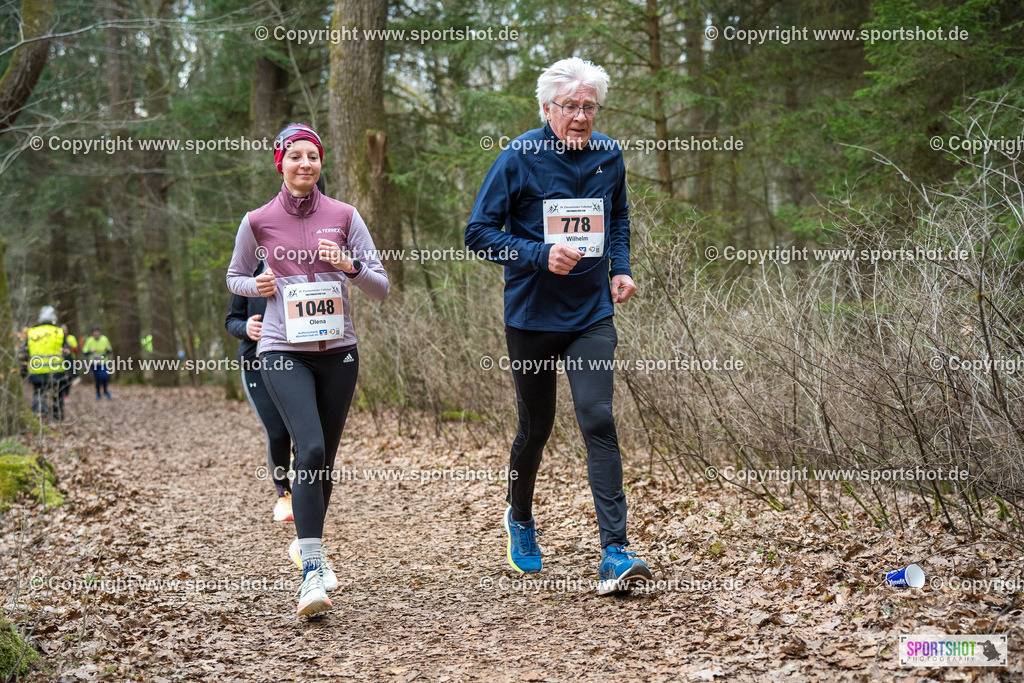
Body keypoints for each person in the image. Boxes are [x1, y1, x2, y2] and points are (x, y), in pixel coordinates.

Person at [465, 57, 653, 595]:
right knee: (536, 426)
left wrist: (621, 267)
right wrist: (538, 254)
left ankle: (615, 552)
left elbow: (616, 218)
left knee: (598, 420)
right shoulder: (518, 156)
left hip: (591, 314)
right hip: (531, 316)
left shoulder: (609, 155)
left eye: (589, 106)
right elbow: (478, 233)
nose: (580, 116)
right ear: (547, 109)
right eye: (570, 106)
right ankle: (519, 518)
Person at [227, 123, 389, 616]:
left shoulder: (344, 215)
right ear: (281, 163)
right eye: (294, 156)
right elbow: (234, 276)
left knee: (324, 462)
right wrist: (260, 286)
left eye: (312, 157)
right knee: (310, 446)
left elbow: (380, 286)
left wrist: (348, 265)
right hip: (281, 350)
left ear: (321, 164)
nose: (304, 164)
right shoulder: (258, 221)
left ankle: (308, 545)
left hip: (339, 353)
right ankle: (313, 572)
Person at [226, 260, 295, 523]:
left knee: (300, 429)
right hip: (256, 363)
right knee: (277, 432)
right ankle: (283, 495)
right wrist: (246, 328)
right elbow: (231, 320)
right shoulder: (247, 275)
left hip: (296, 362)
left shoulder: (297, 264)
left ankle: (305, 487)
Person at [24, 306, 66, 420]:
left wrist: (23, 372)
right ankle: (58, 416)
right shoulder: (59, 332)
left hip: (36, 372)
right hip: (56, 372)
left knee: (38, 395)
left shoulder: (31, 333)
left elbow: (23, 353)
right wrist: (71, 371)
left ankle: (39, 418)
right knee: (57, 396)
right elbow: (66, 353)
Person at [81, 326, 113, 400]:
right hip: (94, 363)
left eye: (97, 332)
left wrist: (107, 350)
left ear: (99, 332)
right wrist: (90, 351)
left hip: (103, 362)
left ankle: (105, 391)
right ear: (92, 333)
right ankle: (98, 394)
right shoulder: (89, 340)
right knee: (97, 378)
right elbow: (85, 352)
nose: (96, 333)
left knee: (104, 376)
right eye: (94, 332)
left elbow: (110, 350)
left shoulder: (104, 339)